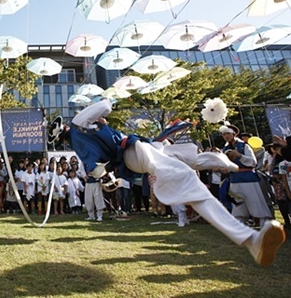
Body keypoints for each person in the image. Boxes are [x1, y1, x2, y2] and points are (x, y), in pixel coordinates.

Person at [49, 99, 285, 266]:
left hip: (140, 147)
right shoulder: (79, 122)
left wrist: (107, 177)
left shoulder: (79, 145)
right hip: (134, 153)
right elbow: (105, 105)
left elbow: (97, 169)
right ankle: (251, 240)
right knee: (188, 181)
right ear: (63, 127)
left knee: (191, 157)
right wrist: (105, 105)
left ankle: (229, 164)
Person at [220, 124, 273, 227]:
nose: (226, 136)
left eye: (227, 134)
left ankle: (265, 229)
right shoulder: (224, 149)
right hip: (234, 180)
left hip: (249, 179)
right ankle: (240, 231)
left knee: (258, 204)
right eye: (223, 134)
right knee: (238, 208)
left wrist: (239, 155)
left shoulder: (244, 146)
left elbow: (253, 162)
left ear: (233, 134)